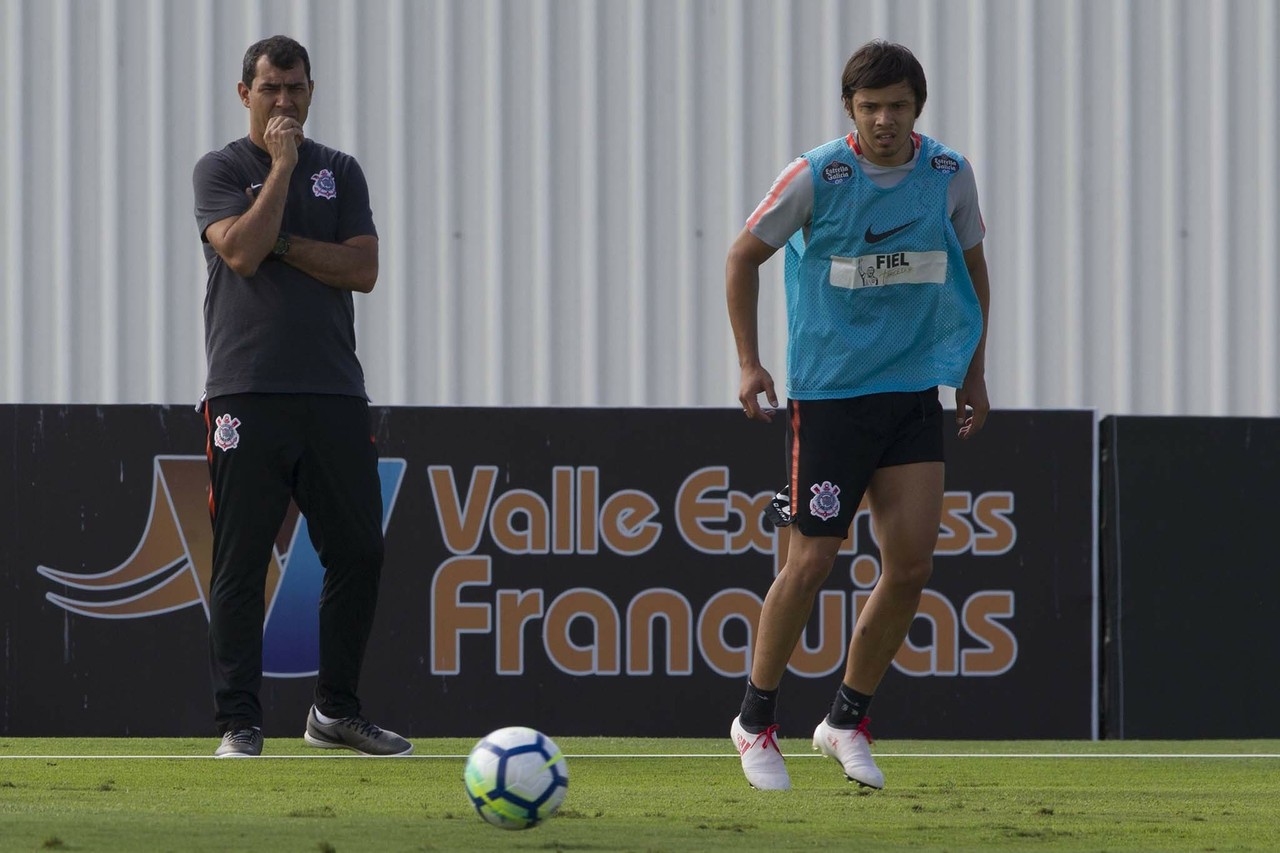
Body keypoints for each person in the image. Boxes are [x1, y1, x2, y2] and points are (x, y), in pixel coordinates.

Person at [725, 39, 990, 790]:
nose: (884, 120)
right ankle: (755, 719)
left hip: (912, 390)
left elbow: (973, 272)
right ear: (851, 109)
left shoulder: (947, 173)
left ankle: (844, 719)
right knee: (809, 560)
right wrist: (749, 362)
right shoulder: (817, 175)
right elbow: (742, 256)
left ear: (917, 109)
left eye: (898, 107)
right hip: (831, 395)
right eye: (870, 107)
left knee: (910, 566)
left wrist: (974, 372)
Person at [193, 35, 410, 758]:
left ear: (311, 91)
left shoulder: (341, 171)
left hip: (334, 392)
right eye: (270, 89)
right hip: (245, 390)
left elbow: (364, 268)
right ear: (244, 94)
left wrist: (287, 243)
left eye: (295, 88)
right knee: (241, 560)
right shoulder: (222, 168)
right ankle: (240, 722)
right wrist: (280, 170)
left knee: (358, 550)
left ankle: (334, 712)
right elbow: (241, 252)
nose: (283, 102)